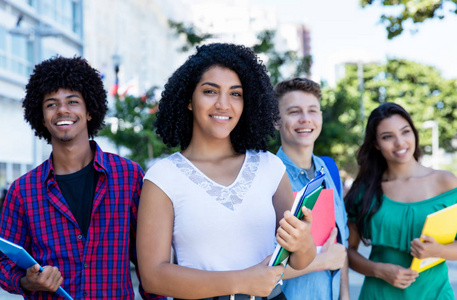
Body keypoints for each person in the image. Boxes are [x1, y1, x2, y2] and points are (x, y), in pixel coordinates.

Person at [136, 43, 317, 299]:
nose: (223, 104)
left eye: (235, 94)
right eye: (210, 91)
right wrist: (242, 281)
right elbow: (153, 277)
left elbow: (301, 260)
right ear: (189, 99)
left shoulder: (269, 166)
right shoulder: (163, 177)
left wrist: (303, 241)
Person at [0, 56, 164, 299]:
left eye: (73, 101)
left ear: (89, 111)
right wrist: (27, 281)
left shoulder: (128, 177)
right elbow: (4, 264)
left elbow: (147, 259)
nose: (63, 110)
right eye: (51, 104)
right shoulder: (22, 191)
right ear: (42, 117)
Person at [345, 102, 457, 299]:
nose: (400, 142)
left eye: (405, 132)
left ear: (414, 133)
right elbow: (348, 252)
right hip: (378, 294)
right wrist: (378, 270)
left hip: (435, 294)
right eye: (387, 137)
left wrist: (438, 250)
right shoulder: (365, 191)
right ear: (376, 144)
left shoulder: (447, 183)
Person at [273, 78, 349, 300]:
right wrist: (323, 262)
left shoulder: (329, 170)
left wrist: (345, 296)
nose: (305, 119)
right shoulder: (268, 176)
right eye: (294, 111)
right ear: (276, 120)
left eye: (312, 111)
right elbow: (259, 266)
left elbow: (339, 244)